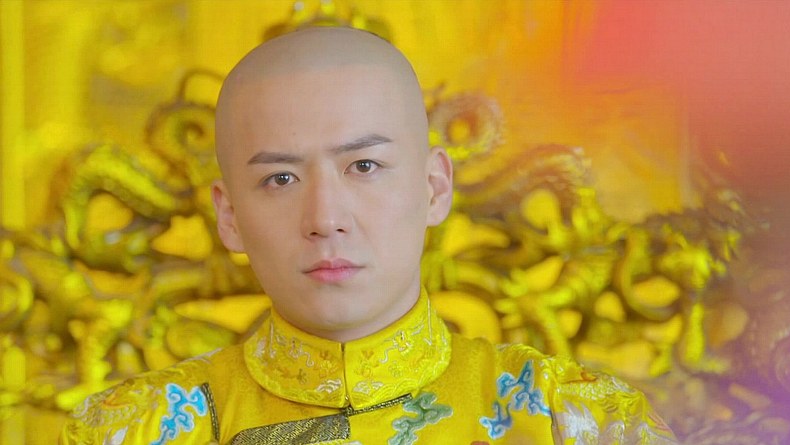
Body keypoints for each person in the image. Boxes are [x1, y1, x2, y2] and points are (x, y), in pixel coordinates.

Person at [60, 26, 678, 444]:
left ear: (434, 187)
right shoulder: (130, 431)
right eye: (280, 178)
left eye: (363, 166)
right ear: (229, 216)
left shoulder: (576, 422)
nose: (325, 217)